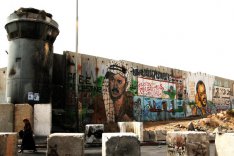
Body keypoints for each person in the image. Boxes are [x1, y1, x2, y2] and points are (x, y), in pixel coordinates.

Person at [91, 61, 134, 130]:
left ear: (126, 84)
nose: (115, 85)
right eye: (112, 80)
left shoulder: (130, 100)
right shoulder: (100, 100)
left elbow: (135, 125)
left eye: (119, 81)